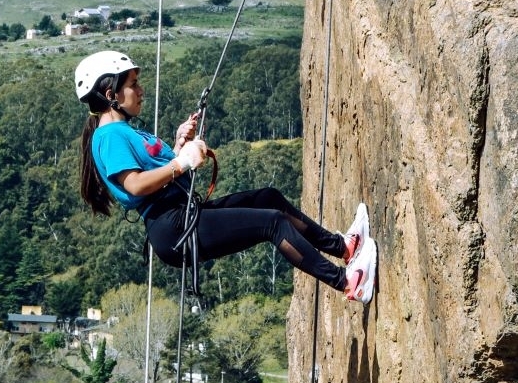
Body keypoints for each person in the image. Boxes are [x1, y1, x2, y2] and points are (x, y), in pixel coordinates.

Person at [73, 50, 376, 302]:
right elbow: (136, 184)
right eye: (133, 84)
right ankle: (348, 283)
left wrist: (178, 145)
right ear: (111, 94)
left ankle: (343, 248)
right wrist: (181, 164)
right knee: (272, 222)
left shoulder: (124, 131)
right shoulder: (109, 136)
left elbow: (155, 169)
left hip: (180, 215)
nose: (140, 91)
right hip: (172, 227)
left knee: (268, 198)